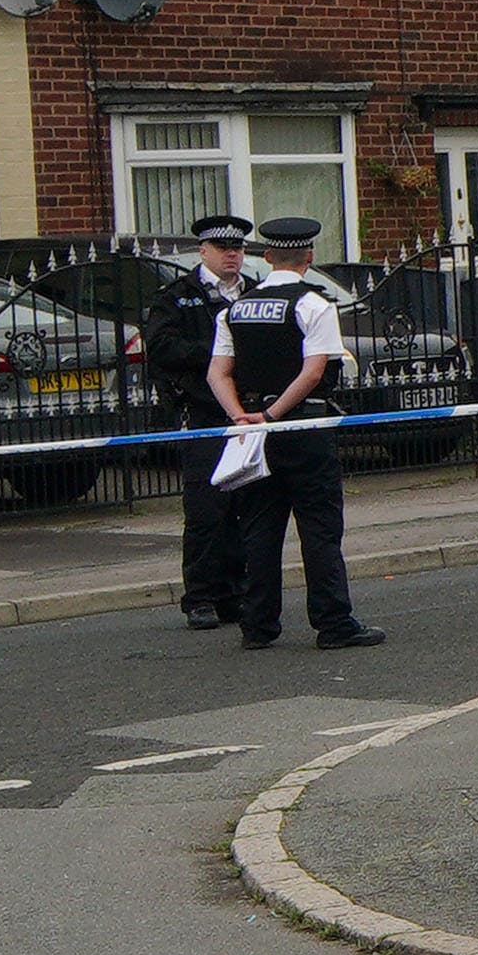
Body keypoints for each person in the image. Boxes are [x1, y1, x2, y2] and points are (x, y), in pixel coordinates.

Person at [207, 217, 384, 651]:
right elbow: (314, 370)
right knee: (319, 528)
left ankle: (258, 626)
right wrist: (272, 414)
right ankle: (333, 623)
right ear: (309, 258)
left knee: (259, 530)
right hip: (301, 427)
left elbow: (217, 372)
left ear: (266, 258)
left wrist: (242, 416)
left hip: (252, 432)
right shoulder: (313, 305)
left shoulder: (235, 308)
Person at [143, 214, 251, 630]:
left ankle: (234, 593)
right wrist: (218, 351)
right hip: (202, 412)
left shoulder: (252, 294)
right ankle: (201, 596)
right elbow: (162, 346)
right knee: (207, 509)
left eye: (238, 249)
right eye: (223, 249)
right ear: (203, 251)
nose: (232, 255)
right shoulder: (177, 297)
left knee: (243, 505)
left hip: (246, 412)